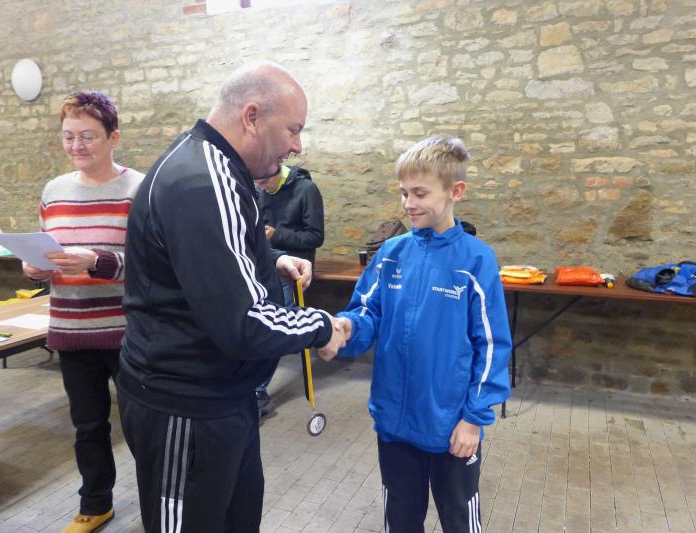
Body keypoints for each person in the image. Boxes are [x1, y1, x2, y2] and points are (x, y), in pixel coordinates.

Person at [117, 61, 346, 533]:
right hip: (186, 405)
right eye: (293, 129)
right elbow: (244, 323)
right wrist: (321, 326)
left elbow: (214, 253)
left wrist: (271, 259)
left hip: (224, 397)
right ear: (252, 116)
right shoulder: (203, 180)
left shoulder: (216, 166)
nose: (298, 145)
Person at [325, 135, 512, 533]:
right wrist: (345, 329)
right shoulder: (391, 254)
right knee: (401, 519)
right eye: (404, 192)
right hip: (394, 422)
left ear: (455, 191)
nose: (408, 203)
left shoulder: (477, 260)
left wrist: (473, 419)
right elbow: (367, 313)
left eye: (420, 193)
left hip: (451, 425)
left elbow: (492, 346)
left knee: (459, 519)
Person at [22, 91, 144, 533]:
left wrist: (98, 261)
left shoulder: (138, 189)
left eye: (88, 136)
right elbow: (46, 252)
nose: (77, 146)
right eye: (69, 136)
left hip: (128, 332)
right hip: (72, 329)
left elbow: (154, 264)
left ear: (114, 138)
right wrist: (35, 267)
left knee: (143, 425)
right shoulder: (54, 192)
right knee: (87, 426)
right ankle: (95, 504)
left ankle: (158, 500)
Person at [254, 163, 325, 415]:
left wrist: (277, 235)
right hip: (265, 264)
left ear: (277, 171)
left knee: (273, 325)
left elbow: (315, 237)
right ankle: (249, 385)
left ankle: (258, 391)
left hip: (294, 269)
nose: (261, 188)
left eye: (264, 182)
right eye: (258, 183)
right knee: (255, 321)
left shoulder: (306, 190)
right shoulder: (260, 190)